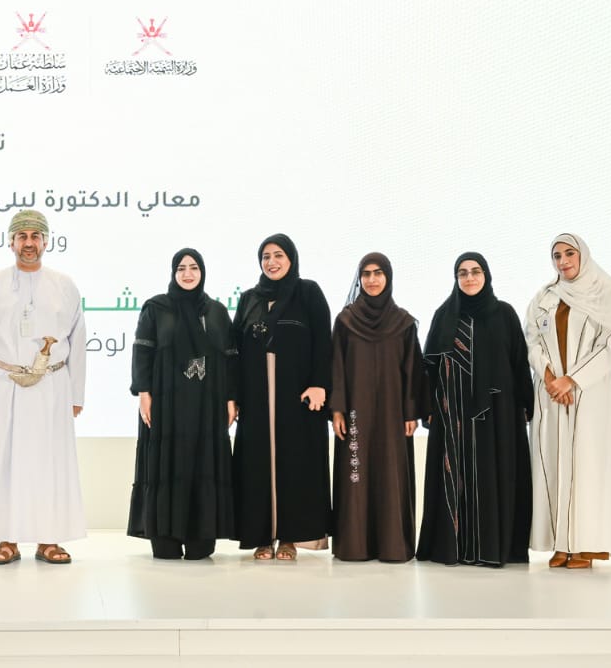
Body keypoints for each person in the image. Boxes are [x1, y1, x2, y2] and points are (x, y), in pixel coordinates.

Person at [0, 209, 86, 565]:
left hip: (53, 388)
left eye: (35, 236)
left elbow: (78, 341)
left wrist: (75, 394)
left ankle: (49, 540)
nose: (29, 243)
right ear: (11, 242)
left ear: (46, 242)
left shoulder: (64, 285)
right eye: (22, 236)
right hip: (4, 387)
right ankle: (7, 540)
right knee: (4, 463)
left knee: (50, 463)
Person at [417, 253, 532, 567]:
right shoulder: (445, 315)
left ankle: (491, 548)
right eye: (462, 273)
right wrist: (428, 407)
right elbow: (429, 367)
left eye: (475, 271)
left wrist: (526, 403)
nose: (469, 278)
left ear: (486, 275)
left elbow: (519, 362)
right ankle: (453, 547)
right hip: (452, 412)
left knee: (492, 475)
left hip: (498, 414)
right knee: (455, 473)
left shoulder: (504, 314)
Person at [525, 234, 611, 569]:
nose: (563, 261)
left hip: (589, 393)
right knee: (555, 464)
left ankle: (585, 546)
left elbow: (610, 343)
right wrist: (551, 378)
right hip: (552, 393)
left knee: (585, 466)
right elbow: (532, 340)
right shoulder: (545, 296)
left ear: (583, 254)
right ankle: (561, 544)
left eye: (569, 253)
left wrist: (572, 380)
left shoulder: (605, 291)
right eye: (557, 255)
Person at [127, 248, 236, 560]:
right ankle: (164, 537)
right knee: (166, 464)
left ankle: (202, 535)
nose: (188, 274)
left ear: (203, 272)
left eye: (194, 268)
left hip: (207, 405)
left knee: (204, 463)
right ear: (173, 273)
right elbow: (142, 352)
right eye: (181, 268)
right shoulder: (156, 308)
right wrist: (143, 392)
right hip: (165, 404)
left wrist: (231, 398)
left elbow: (230, 358)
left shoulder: (216, 311)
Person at [231, 234, 332, 561]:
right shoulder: (249, 299)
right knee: (256, 466)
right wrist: (233, 396)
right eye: (265, 256)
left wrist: (320, 384)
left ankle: (289, 537)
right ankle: (261, 536)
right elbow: (234, 350)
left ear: (291, 258)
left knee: (295, 464)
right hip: (256, 398)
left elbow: (323, 342)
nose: (271, 262)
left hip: (298, 398)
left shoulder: (308, 293)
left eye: (278, 255)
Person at [329, 252, 426, 562]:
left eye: (378, 273)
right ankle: (355, 544)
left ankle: (392, 545)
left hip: (392, 413)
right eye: (366, 274)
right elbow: (336, 366)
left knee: (390, 472)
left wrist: (411, 412)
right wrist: (337, 409)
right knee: (355, 476)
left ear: (388, 277)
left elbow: (412, 370)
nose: (371, 280)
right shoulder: (345, 321)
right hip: (355, 412)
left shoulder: (403, 323)